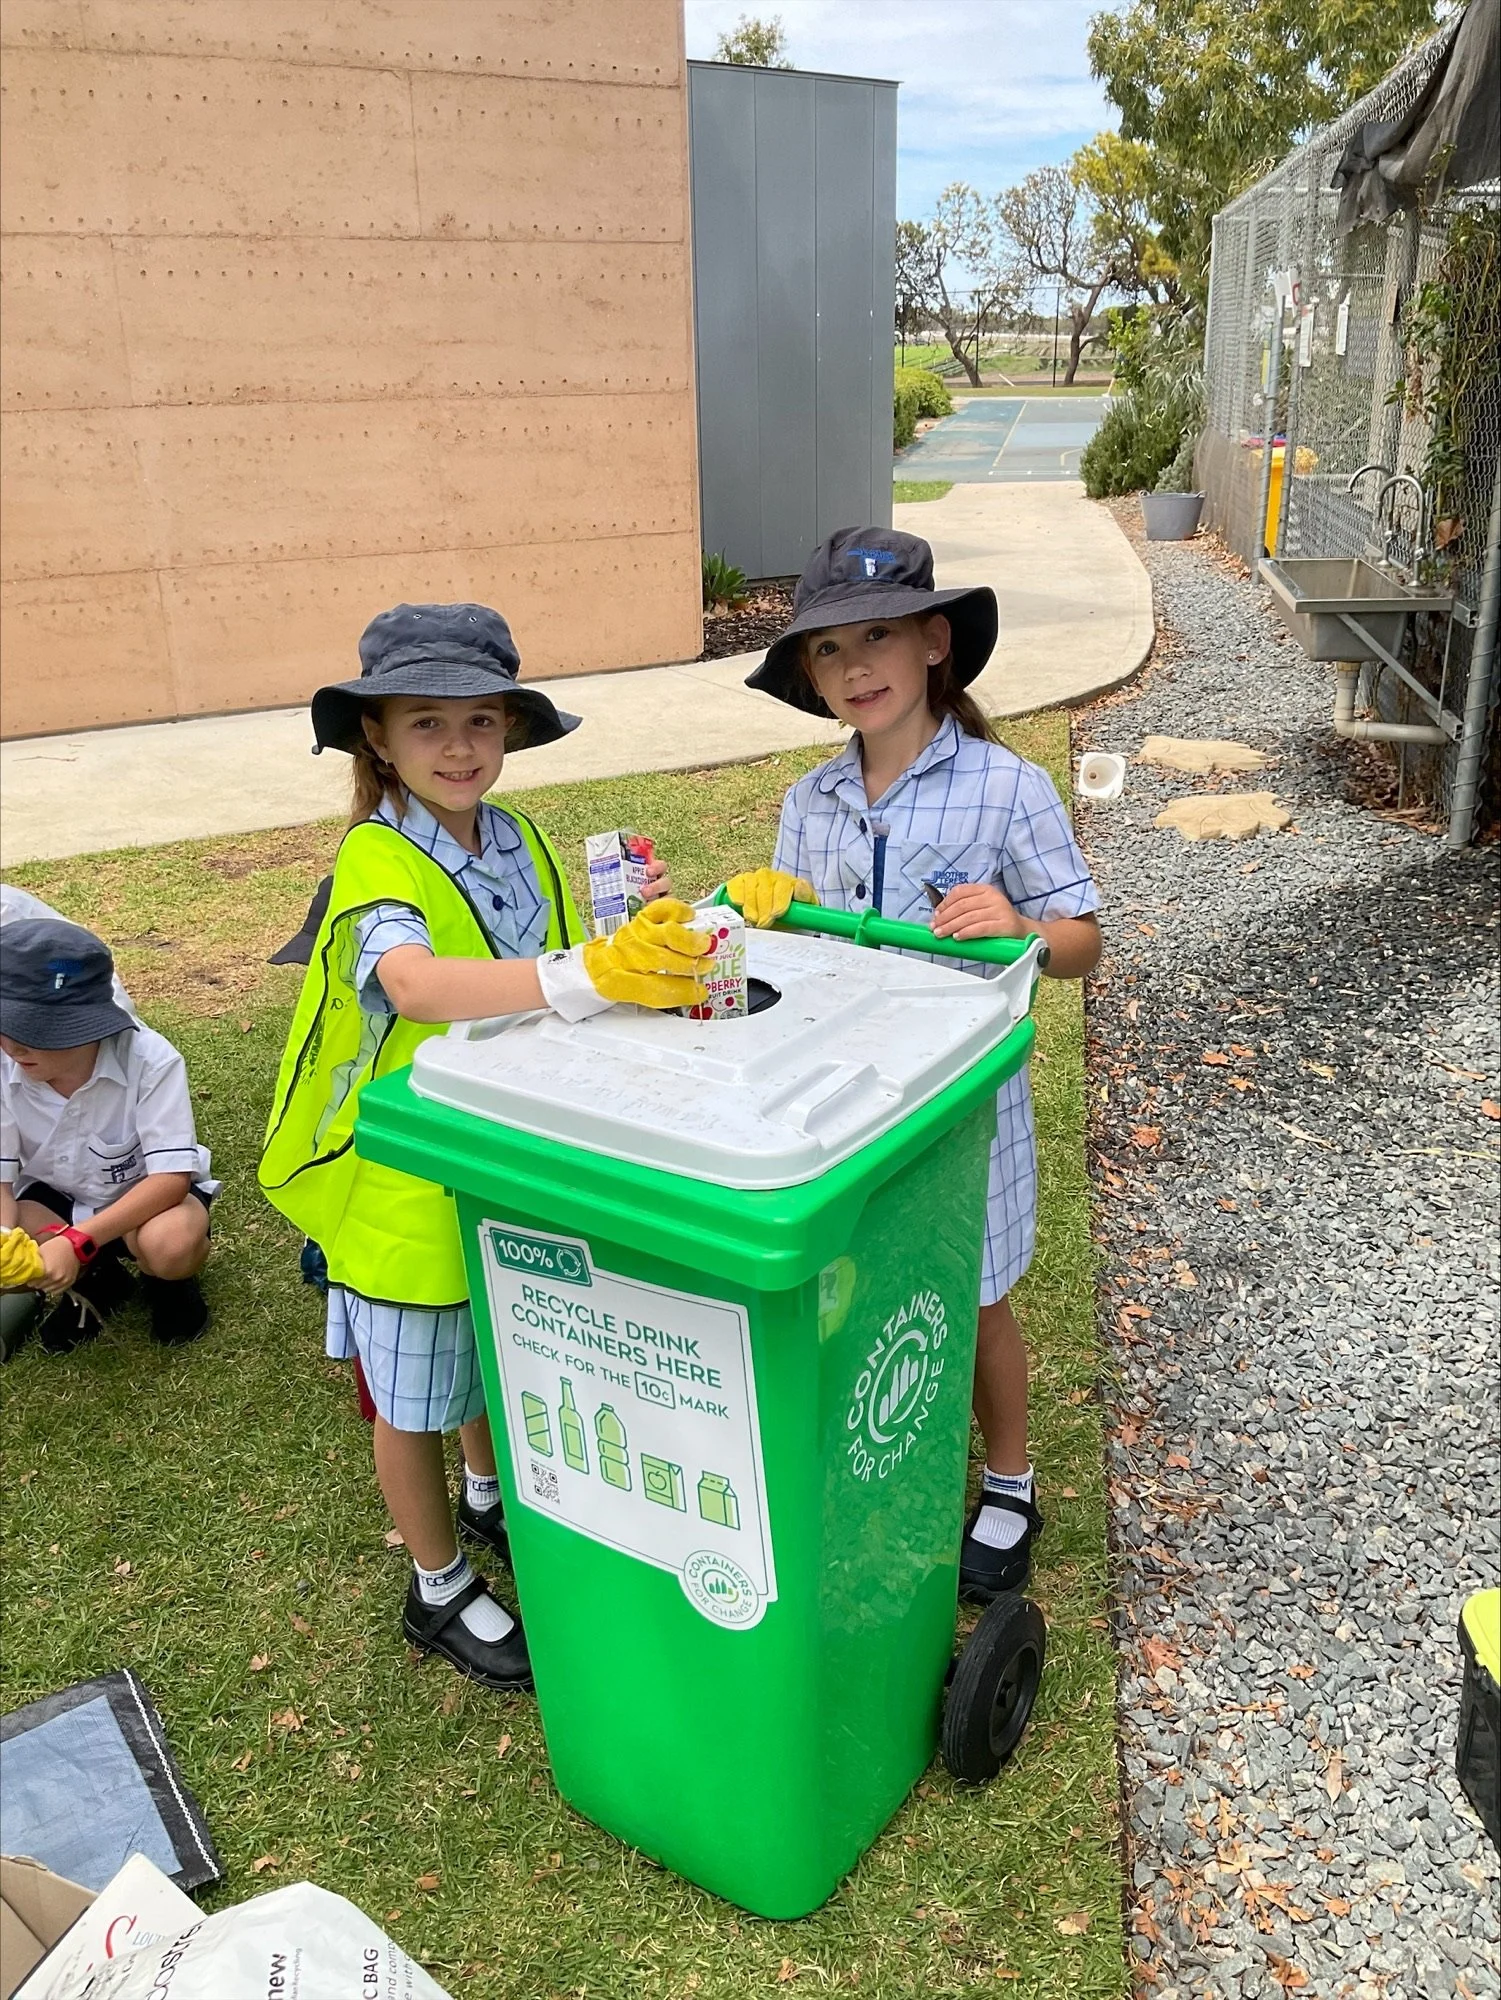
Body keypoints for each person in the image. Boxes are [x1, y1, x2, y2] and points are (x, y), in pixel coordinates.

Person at [258, 602, 709, 1695]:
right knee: (411, 1390)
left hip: (504, 1148)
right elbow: (412, 982)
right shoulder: (374, 856)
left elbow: (550, 961)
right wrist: (582, 975)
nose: (460, 748)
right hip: (403, 1173)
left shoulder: (522, 838)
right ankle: (437, 1581)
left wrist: (618, 936)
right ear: (377, 738)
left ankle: (485, 1493)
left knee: (488, 1344)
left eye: (480, 720)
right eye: (427, 724)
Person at [730, 528, 1102, 1600]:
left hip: (963, 1108)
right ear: (809, 673)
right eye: (830, 649)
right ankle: (880, 1451)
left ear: (934, 641)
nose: (857, 667)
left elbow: (1083, 943)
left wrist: (1022, 923)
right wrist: (765, 917)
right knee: (866, 1289)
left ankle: (1009, 1478)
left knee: (973, 1295)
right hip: (842, 1103)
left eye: (879, 636)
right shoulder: (810, 800)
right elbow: (793, 957)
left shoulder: (1005, 787)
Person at [1, 917, 215, 1354]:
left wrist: (76, 1241)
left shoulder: (150, 1060)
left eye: (34, 1032)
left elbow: (170, 1179)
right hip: (55, 1197)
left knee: (170, 1242)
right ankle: (98, 1281)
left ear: (87, 1026)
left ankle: (168, 1283)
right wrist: (3, 1243)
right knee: (12, 1227)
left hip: (146, 1199)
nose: (14, 1047)